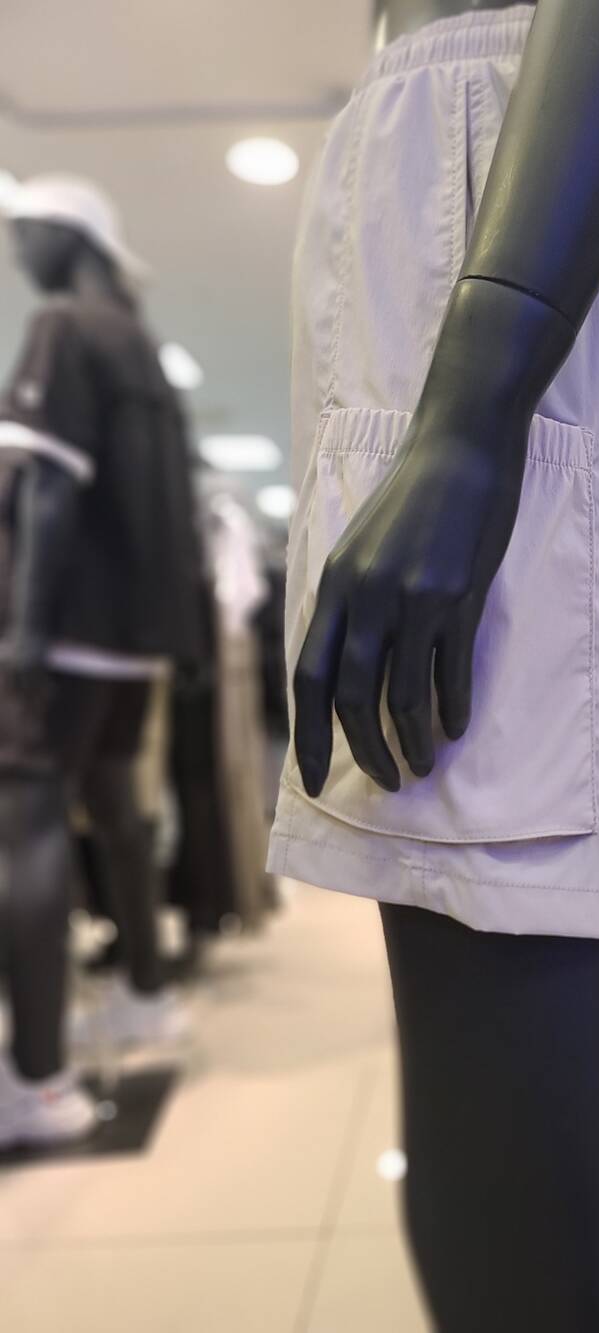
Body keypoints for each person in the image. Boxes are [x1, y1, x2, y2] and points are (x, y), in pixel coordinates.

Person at [271, 1, 599, 1326]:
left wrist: (474, 410)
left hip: (500, 183)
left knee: (523, 1182)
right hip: (491, 178)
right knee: (505, 1162)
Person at [0, 176, 204, 1149]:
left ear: (66, 236)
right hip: (130, 640)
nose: (15, 252)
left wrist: (25, 628)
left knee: (27, 826)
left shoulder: (64, 328)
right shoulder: (141, 347)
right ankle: (145, 992)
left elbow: (47, 487)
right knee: (117, 809)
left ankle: (38, 1079)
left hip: (70, 628)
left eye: (23, 233)